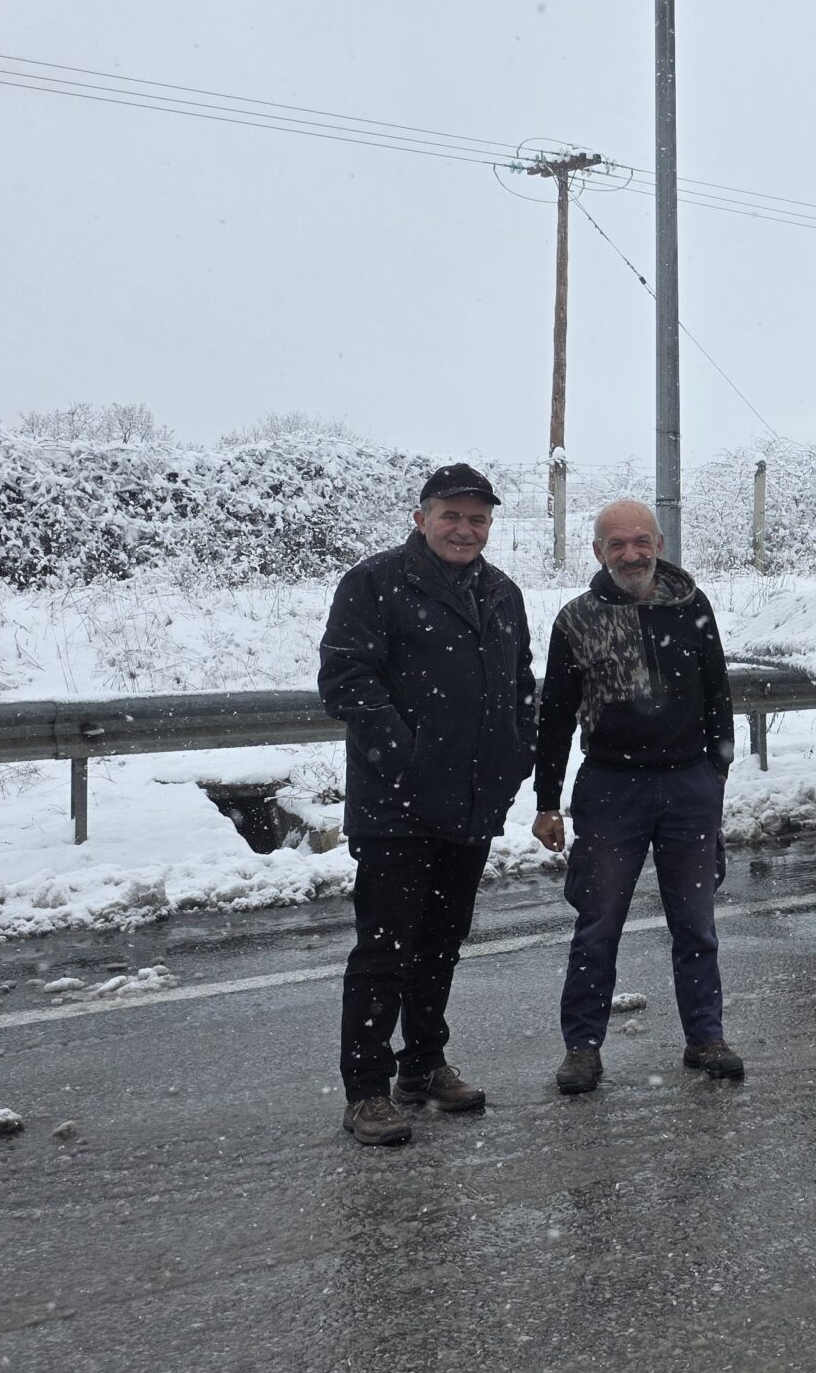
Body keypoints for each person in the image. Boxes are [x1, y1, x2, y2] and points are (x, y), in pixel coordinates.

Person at [319, 463, 537, 1146]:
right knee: (384, 947)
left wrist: (515, 756)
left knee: (442, 940)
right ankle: (365, 1089)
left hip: (472, 801)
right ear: (421, 517)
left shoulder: (502, 593)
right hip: (397, 806)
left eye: (478, 519)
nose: (465, 529)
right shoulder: (375, 582)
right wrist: (405, 754)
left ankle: (422, 1063)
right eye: (452, 515)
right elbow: (345, 678)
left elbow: (518, 682)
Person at [532, 499, 743, 1094]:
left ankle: (706, 1038)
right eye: (617, 545)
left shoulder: (691, 605)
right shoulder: (577, 619)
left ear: (658, 545)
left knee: (696, 925)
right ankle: (582, 1048)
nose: (631, 554)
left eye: (641, 542)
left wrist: (715, 778)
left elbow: (717, 695)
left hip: (688, 785)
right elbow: (554, 717)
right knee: (597, 926)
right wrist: (547, 799)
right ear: (598, 553)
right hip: (610, 789)